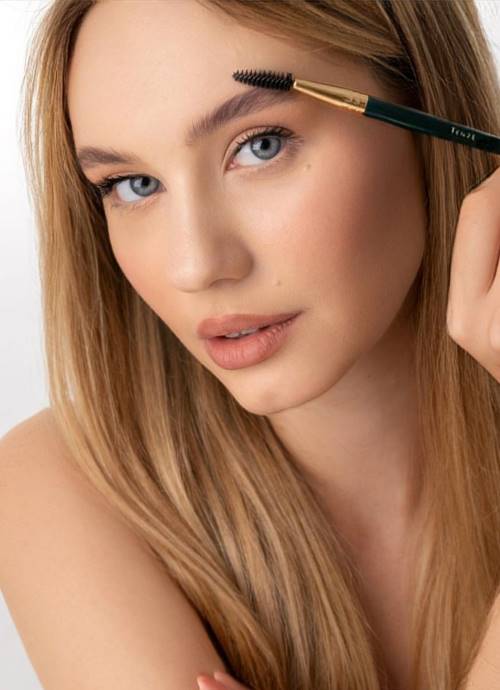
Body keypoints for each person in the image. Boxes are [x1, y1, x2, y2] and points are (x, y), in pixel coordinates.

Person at [1, 1, 499, 689]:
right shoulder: (67, 483)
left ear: (428, 113)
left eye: (260, 145)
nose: (195, 265)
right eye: (133, 185)